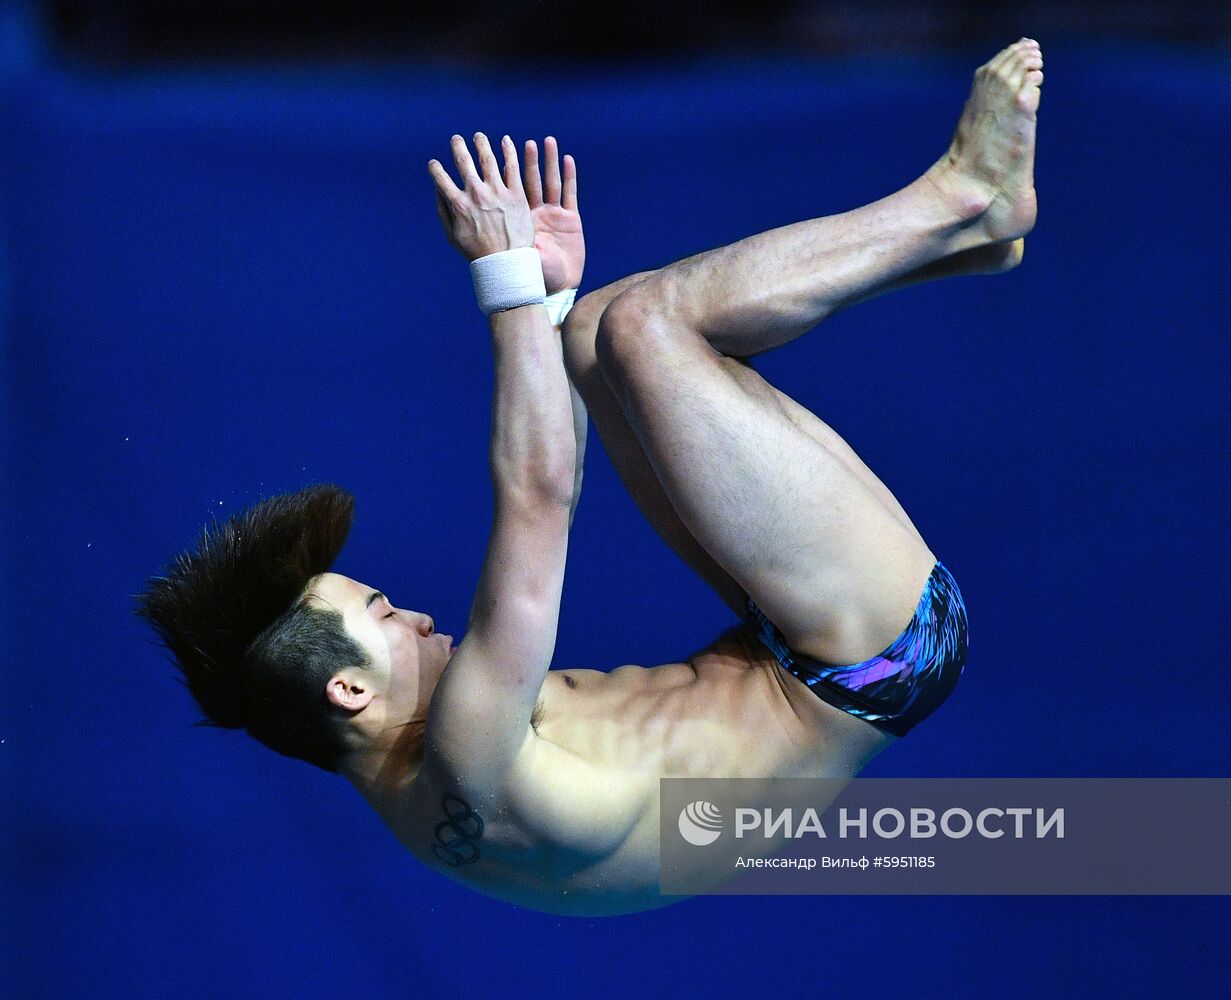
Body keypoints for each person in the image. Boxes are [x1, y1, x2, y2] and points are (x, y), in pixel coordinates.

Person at [136, 39, 1043, 915]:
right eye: (382, 617)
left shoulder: (429, 800)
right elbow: (539, 499)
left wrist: (549, 298)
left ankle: (965, 247)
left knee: (590, 337)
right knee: (647, 325)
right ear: (350, 690)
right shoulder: (465, 751)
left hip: (792, 657)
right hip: (877, 652)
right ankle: (957, 201)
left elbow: (555, 462)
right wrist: (501, 277)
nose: (414, 615)